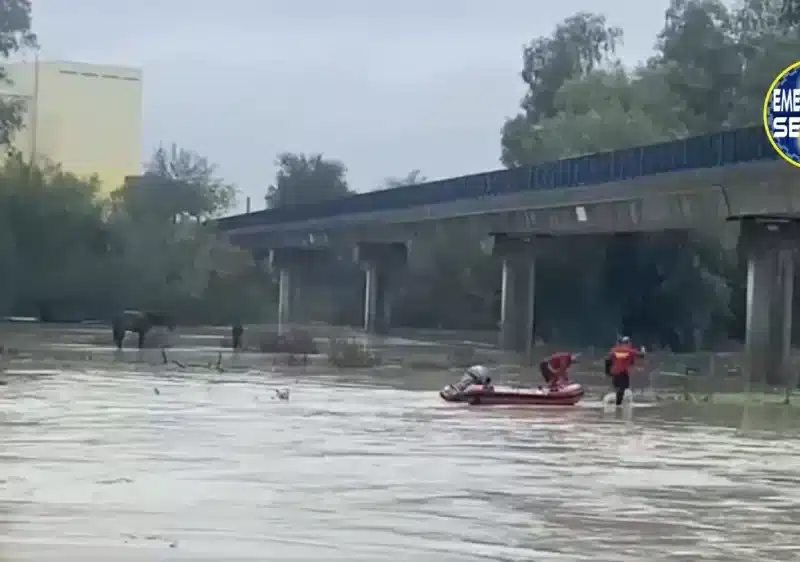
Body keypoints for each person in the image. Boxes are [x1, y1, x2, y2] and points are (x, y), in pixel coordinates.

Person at [605, 336, 645, 406]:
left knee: (618, 389)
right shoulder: (629, 351)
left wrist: (607, 372)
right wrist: (643, 349)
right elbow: (641, 355)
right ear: (628, 343)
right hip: (623, 374)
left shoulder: (614, 351)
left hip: (615, 374)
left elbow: (607, 360)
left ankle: (617, 403)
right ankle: (618, 405)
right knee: (622, 390)